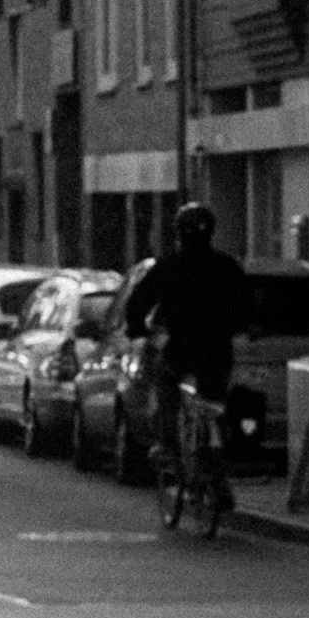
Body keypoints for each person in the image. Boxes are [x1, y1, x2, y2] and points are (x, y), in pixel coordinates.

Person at [121, 200, 254, 475]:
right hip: (217, 351)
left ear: (179, 232)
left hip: (180, 350)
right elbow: (247, 302)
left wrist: (136, 327)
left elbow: (139, 300)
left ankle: (167, 445)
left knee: (166, 386)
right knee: (215, 399)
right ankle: (221, 455)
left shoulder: (168, 265)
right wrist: (248, 326)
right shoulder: (226, 265)